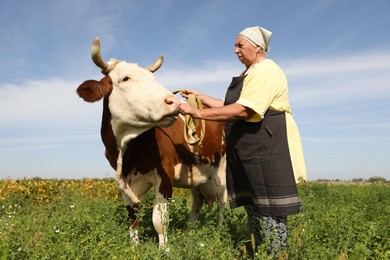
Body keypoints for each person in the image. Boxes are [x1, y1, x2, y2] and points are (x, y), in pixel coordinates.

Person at [178, 26, 306, 256]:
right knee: (255, 205)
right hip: (252, 147)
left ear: (257, 48)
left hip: (267, 145)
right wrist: (200, 98)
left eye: (240, 45)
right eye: (235, 45)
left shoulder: (266, 70)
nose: (235, 50)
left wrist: (198, 113)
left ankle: (276, 255)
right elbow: (229, 105)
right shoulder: (251, 73)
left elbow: (244, 110)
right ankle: (259, 252)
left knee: (270, 207)